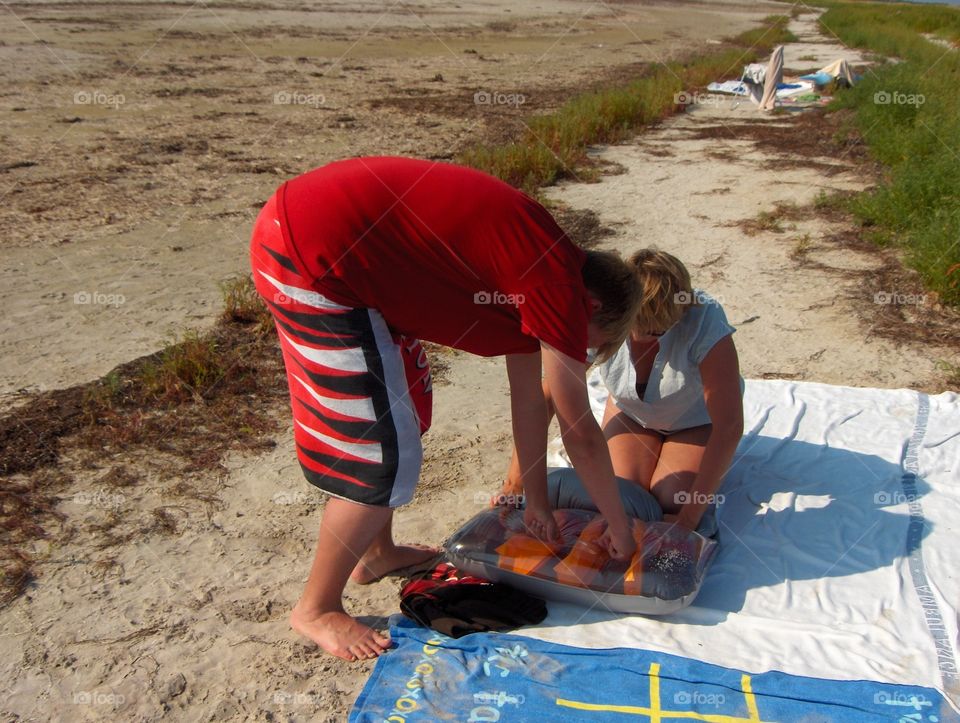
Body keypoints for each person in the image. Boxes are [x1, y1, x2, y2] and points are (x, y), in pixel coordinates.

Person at [248, 156, 642, 661]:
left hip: (334, 252)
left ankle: (378, 552)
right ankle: (317, 607)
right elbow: (580, 431)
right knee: (382, 455)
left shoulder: (543, 278)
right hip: (312, 257)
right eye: (589, 344)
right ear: (589, 308)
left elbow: (531, 404)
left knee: (404, 412)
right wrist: (620, 526)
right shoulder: (557, 288)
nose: (577, 352)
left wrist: (536, 503)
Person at [503, 249, 744, 533]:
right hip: (632, 414)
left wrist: (688, 518)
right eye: (647, 329)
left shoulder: (704, 316)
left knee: (672, 497)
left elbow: (729, 425)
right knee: (624, 496)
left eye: (665, 329)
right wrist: (515, 483)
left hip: (691, 421)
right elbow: (546, 396)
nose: (656, 335)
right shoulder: (607, 313)